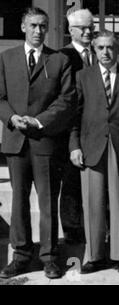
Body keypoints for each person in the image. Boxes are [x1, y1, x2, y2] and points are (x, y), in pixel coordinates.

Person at [0, 7, 76, 279]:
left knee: (47, 203)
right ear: (22, 27)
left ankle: (49, 257)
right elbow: (0, 97)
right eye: (33, 25)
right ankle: (20, 255)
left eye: (43, 26)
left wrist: (39, 121)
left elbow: (67, 100)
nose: (38, 31)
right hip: (16, 142)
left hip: (45, 142)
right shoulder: (6, 58)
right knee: (19, 201)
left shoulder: (58, 60)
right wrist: (12, 119)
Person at [69, 30, 119, 274]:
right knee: (93, 202)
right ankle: (95, 256)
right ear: (94, 50)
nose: (106, 52)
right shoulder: (82, 76)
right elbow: (74, 115)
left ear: (118, 49)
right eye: (100, 48)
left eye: (110, 47)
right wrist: (74, 146)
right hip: (91, 145)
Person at [58, 8, 96, 244]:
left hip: (96, 128)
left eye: (90, 26)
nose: (88, 31)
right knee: (71, 183)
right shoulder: (62, 56)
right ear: (71, 30)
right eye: (82, 27)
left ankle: (96, 230)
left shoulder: (100, 53)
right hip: (71, 128)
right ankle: (72, 232)